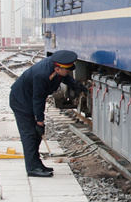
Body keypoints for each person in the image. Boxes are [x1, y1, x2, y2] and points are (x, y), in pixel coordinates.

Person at [8, 49, 85, 177]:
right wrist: (40, 121)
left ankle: (37, 164)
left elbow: (66, 78)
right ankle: (32, 168)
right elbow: (38, 99)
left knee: (36, 135)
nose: (68, 72)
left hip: (29, 99)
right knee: (30, 134)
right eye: (66, 70)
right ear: (57, 69)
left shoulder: (57, 67)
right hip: (21, 101)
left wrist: (80, 87)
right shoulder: (42, 75)